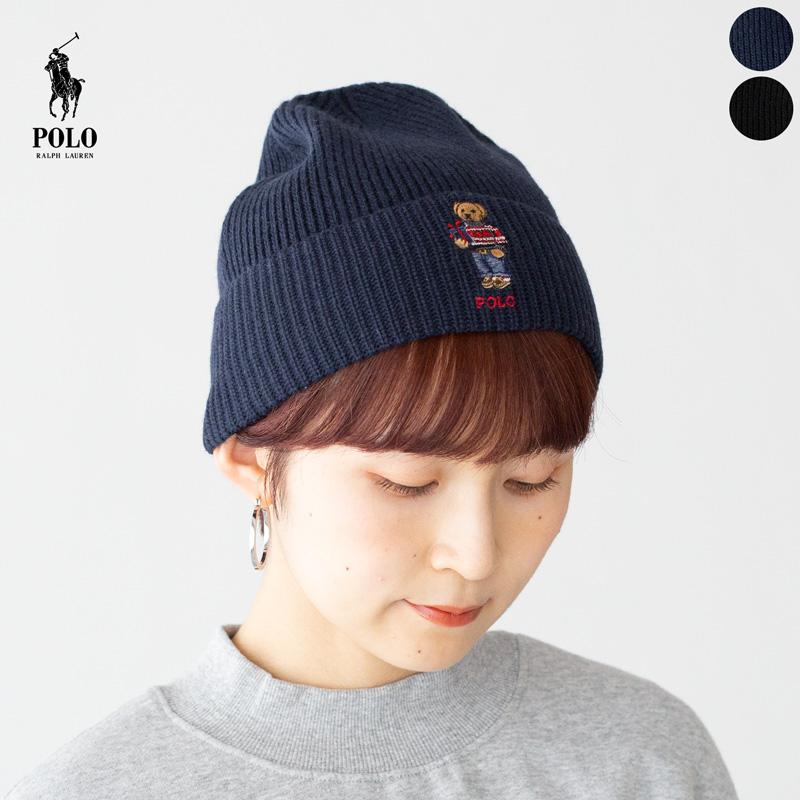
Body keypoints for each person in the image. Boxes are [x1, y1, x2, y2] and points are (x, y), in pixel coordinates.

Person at [3, 81, 739, 799]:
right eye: (407, 482)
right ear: (254, 459)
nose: (476, 555)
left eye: (532, 479)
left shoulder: (643, 763)